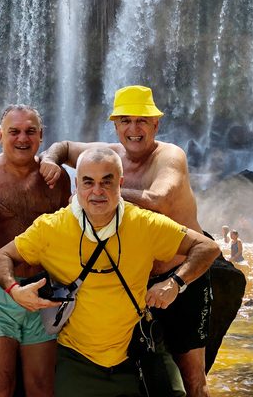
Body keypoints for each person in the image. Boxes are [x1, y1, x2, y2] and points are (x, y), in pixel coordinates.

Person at [0, 147, 221, 397]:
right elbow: (2, 256)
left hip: (137, 350)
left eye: (107, 182)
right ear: (76, 186)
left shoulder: (143, 223)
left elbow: (207, 246)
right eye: (88, 182)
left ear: (121, 184)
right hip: (78, 359)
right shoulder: (51, 228)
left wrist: (176, 282)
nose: (97, 191)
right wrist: (14, 290)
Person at [39, 85, 214, 397]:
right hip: (133, 285)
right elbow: (63, 146)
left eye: (142, 121)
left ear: (156, 125)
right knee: (140, 374)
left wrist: (90, 193)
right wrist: (49, 159)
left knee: (192, 379)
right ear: (115, 125)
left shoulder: (169, 155)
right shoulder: (110, 155)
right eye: (125, 121)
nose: (134, 129)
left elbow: (158, 200)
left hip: (180, 277)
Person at [0, 104, 71, 397]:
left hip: (44, 287)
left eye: (30, 131)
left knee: (43, 388)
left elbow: (67, 231)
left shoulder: (56, 179)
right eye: (14, 131)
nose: (22, 138)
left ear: (41, 135)